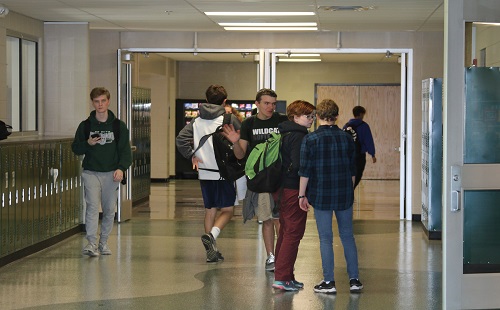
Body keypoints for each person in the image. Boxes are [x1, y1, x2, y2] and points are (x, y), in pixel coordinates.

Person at [298, 99, 363, 294]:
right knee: (347, 236)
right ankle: (354, 280)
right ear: (336, 116)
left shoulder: (310, 139)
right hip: (344, 194)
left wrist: (302, 195)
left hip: (321, 195)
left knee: (325, 238)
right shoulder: (347, 138)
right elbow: (353, 169)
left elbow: (305, 171)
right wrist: (349, 190)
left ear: (318, 116)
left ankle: (329, 282)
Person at [222, 88, 288, 271]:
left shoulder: (282, 121)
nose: (271, 107)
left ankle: (282, 256)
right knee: (266, 218)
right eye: (266, 103)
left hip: (280, 178)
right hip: (261, 179)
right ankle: (271, 256)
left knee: (279, 219)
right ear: (257, 104)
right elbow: (240, 155)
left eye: (273, 104)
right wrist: (235, 142)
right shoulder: (249, 124)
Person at [176, 84, 242, 263]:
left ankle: (211, 252)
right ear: (224, 101)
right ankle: (212, 236)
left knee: (210, 210)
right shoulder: (229, 119)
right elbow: (241, 141)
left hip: (204, 172)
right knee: (228, 210)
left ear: (206, 100)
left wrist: (192, 156)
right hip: (223, 171)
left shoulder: (197, 121)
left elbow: (181, 139)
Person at [71, 87, 132, 257]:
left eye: (103, 101)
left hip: (111, 173)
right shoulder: (86, 125)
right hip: (91, 172)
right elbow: (75, 148)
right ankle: (91, 243)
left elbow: (125, 151)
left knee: (109, 209)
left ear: (108, 101)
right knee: (91, 206)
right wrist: (87, 144)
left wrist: (121, 168)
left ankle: (103, 242)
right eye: (97, 101)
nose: (100, 104)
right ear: (92, 103)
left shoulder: (118, 126)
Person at [271, 100, 315, 291]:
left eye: (313, 116)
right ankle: (282, 277)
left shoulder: (284, 133)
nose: (312, 119)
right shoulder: (299, 136)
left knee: (285, 231)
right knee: (293, 233)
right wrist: (302, 194)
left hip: (281, 188)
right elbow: (299, 166)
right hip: (293, 189)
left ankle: (285, 275)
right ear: (295, 117)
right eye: (308, 116)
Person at [343, 106, 376, 189]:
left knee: (349, 173)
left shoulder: (346, 126)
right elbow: (368, 140)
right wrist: (372, 154)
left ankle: (348, 190)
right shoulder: (364, 126)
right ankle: (351, 190)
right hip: (359, 154)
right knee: (358, 174)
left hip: (348, 155)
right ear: (361, 114)